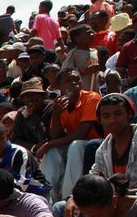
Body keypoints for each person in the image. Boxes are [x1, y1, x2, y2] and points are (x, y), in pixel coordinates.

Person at [39, 68, 102, 201]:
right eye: (68, 81)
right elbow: (56, 136)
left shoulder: (91, 97)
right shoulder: (60, 103)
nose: (74, 83)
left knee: (75, 145)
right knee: (53, 150)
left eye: (77, 79)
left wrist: (47, 144)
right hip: (77, 145)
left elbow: (81, 134)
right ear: (60, 86)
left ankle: (69, 197)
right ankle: (46, 197)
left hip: (96, 145)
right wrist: (56, 114)